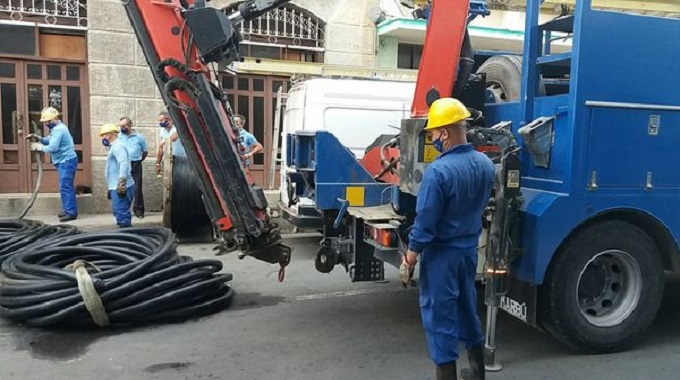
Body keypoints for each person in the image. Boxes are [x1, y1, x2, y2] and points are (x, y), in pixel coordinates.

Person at [404, 98, 495, 380]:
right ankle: (478, 372)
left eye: (432, 134)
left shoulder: (438, 172)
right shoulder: (485, 164)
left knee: (439, 314)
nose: (432, 139)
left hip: (441, 256)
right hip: (468, 252)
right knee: (467, 307)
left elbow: (426, 222)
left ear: (445, 132)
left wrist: (411, 254)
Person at [27, 107, 79, 222]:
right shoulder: (56, 128)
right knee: (64, 186)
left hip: (67, 161)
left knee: (66, 186)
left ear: (55, 118)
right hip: (64, 161)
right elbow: (49, 140)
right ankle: (67, 209)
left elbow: (53, 147)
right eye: (45, 122)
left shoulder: (59, 130)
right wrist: (39, 138)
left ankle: (71, 212)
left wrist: (38, 146)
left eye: (48, 121)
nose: (46, 124)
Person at [100, 124, 135, 228]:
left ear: (112, 134)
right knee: (119, 211)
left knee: (121, 211)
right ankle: (124, 232)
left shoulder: (118, 147)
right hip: (115, 185)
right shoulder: (114, 147)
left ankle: (126, 234)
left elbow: (123, 163)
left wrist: (122, 181)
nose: (103, 138)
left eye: (105, 135)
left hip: (121, 185)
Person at [118, 116, 148, 218]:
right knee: (122, 187)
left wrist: (138, 160)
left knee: (137, 188)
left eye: (124, 126)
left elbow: (145, 151)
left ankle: (139, 210)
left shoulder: (139, 137)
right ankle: (124, 210)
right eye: (120, 126)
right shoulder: (119, 136)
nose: (122, 128)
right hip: (123, 165)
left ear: (130, 125)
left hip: (135, 164)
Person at [155, 110, 186, 175]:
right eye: (159, 121)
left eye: (161, 120)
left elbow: (174, 137)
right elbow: (160, 147)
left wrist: (165, 141)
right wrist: (158, 163)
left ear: (169, 119)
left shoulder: (177, 128)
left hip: (181, 159)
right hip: (168, 159)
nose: (160, 123)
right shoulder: (162, 130)